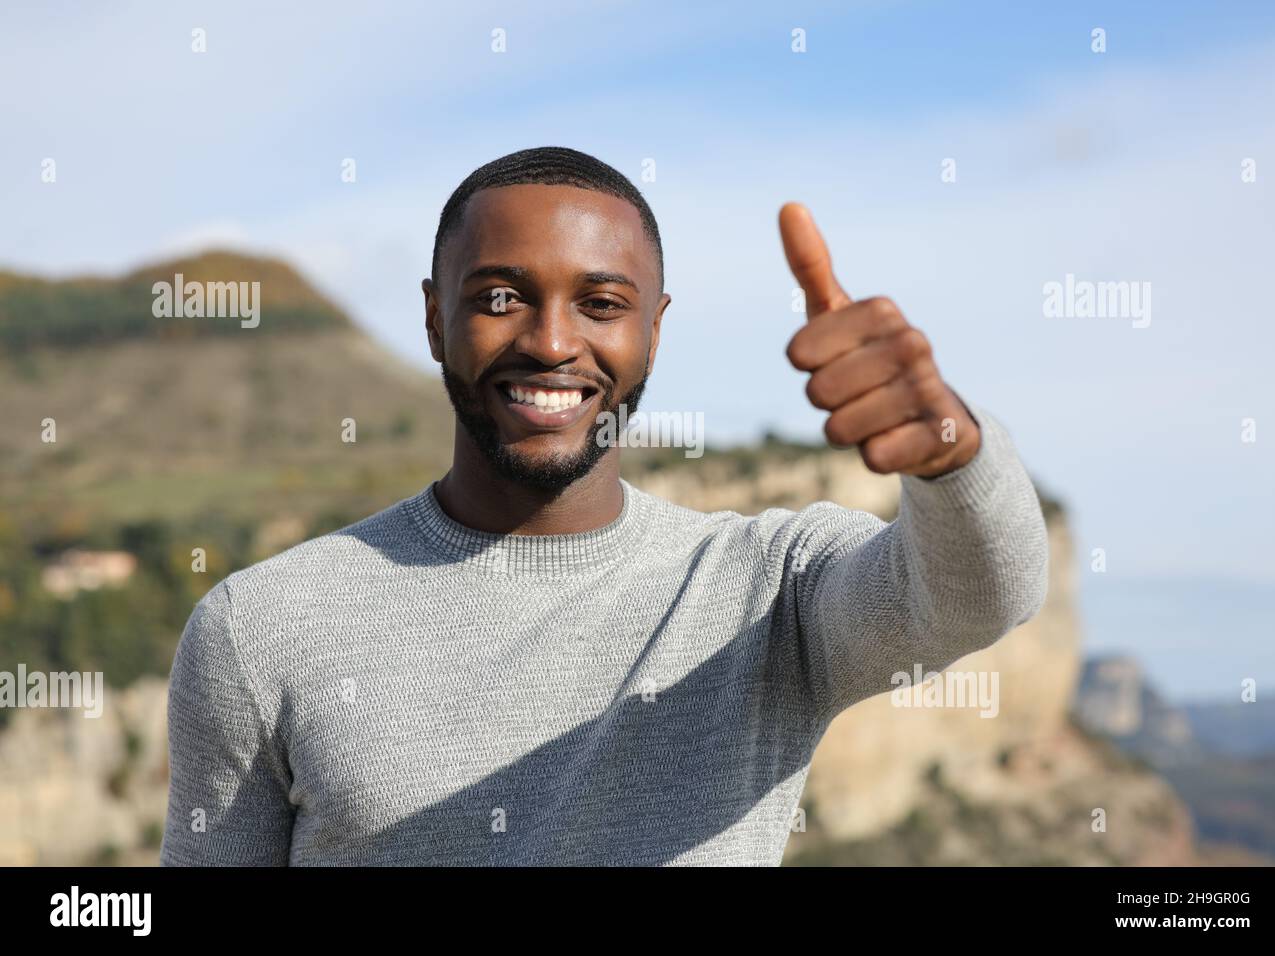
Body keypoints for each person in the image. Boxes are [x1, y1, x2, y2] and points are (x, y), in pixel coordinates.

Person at [161, 146, 1048, 866]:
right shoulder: (261, 626)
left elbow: (978, 596)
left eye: (601, 303)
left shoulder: (766, 591)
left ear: (654, 328)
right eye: (500, 297)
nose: (551, 342)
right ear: (434, 319)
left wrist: (948, 446)